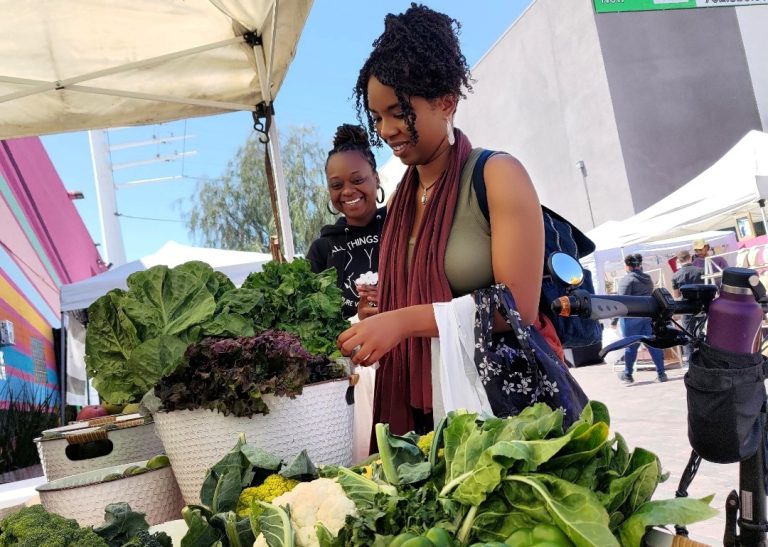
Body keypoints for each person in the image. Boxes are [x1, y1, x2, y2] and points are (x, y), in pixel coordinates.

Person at [336, 4, 555, 436]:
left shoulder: (497, 176)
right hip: (420, 419)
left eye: (399, 112)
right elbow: (417, 293)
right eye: (377, 116)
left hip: (496, 420)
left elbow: (517, 308)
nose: (385, 129)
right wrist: (381, 310)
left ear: (446, 103)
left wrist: (401, 321)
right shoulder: (401, 198)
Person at [306, 124, 386, 320]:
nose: (348, 191)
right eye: (336, 185)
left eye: (357, 180)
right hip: (351, 350)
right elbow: (312, 321)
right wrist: (356, 321)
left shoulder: (402, 226)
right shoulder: (322, 250)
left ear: (376, 179)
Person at [617, 254, 668, 383]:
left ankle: (628, 374)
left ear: (627, 266)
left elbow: (621, 301)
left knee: (631, 346)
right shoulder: (648, 279)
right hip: (647, 315)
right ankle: (662, 373)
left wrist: (613, 319)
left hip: (631, 318)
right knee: (653, 344)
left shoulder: (627, 280)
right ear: (640, 265)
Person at [671, 249, 704, 364]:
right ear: (690, 258)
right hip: (701, 306)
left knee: (688, 334)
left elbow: (676, 295)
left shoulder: (675, 276)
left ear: (679, 261)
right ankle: (704, 358)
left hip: (686, 307)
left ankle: (690, 362)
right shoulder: (700, 271)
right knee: (702, 332)